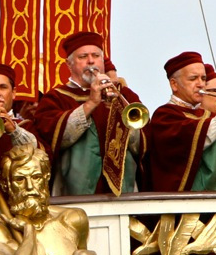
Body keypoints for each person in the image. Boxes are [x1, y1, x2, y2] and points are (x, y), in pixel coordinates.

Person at [28, 32, 145, 195]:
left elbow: (141, 145)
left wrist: (118, 107)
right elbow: (55, 141)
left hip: (123, 194)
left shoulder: (125, 95)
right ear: (69, 64)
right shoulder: (55, 98)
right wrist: (91, 104)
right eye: (83, 57)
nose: (91, 61)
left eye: (96, 56)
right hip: (74, 197)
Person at [143, 51, 216, 192]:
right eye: (193, 79)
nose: (200, 84)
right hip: (181, 205)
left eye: (203, 78)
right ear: (174, 84)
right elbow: (198, 138)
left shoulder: (210, 117)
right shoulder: (165, 115)